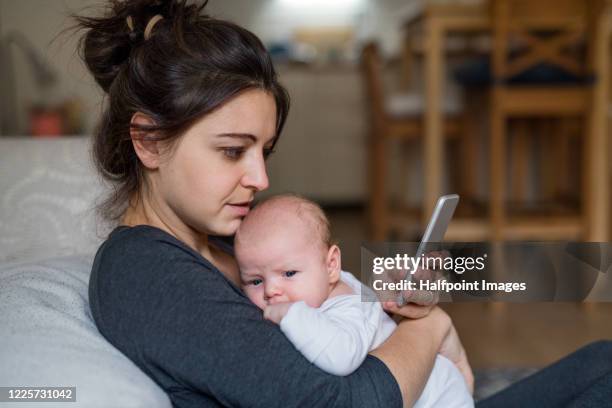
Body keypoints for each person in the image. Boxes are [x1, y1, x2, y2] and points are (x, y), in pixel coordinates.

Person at [79, 1, 612, 407]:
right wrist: (428, 330)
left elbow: (338, 327)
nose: (260, 177)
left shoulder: (226, 244)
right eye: (232, 151)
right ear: (148, 142)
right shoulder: (144, 271)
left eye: (264, 151)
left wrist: (399, 310)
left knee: (602, 362)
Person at [235, 194, 473, 407]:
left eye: (288, 274)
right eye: (255, 281)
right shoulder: (326, 286)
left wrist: (290, 314)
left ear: (331, 266)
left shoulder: (347, 305)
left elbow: (341, 357)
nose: (271, 290)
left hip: (439, 397)